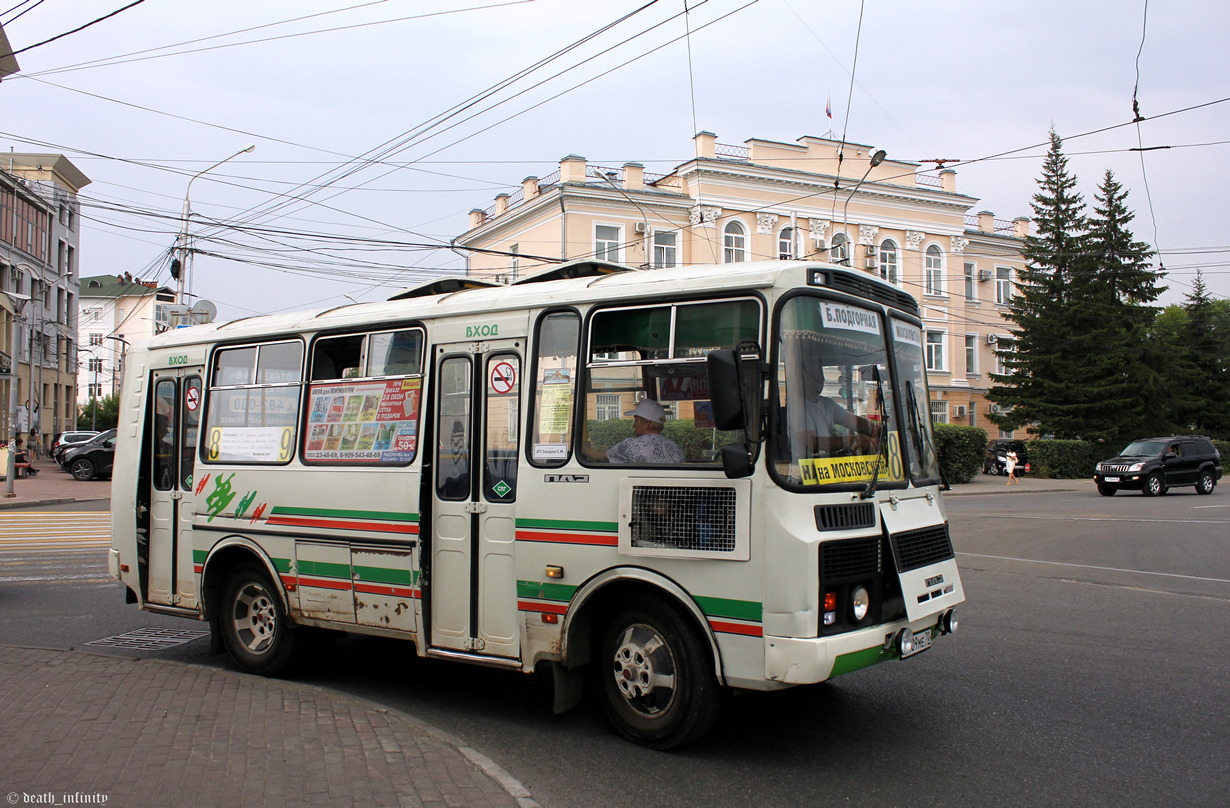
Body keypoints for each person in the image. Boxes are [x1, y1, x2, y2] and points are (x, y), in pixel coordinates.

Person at [586, 399, 684, 464]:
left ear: (646, 423)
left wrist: (583, 449)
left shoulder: (631, 445)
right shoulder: (675, 448)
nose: (634, 425)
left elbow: (600, 457)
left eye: (636, 420)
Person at [799, 379, 880, 457]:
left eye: (820, 376)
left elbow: (854, 422)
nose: (819, 380)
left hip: (827, 462)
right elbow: (811, 443)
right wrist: (851, 441)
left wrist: (878, 430)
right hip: (805, 465)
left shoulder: (827, 403)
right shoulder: (797, 407)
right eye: (813, 376)